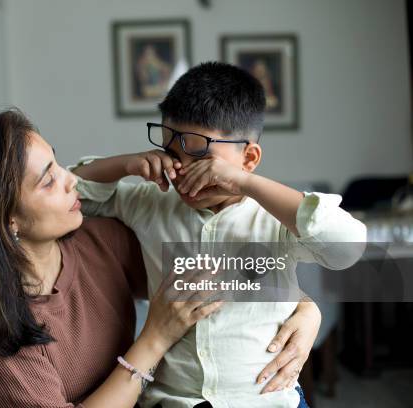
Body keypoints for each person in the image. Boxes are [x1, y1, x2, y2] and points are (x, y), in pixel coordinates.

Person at [0, 108, 322, 408]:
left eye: (57, 162)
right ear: (7, 223)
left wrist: (304, 306)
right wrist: (155, 337)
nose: (72, 179)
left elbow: (210, 274)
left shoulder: (97, 242)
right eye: (49, 180)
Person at [71, 62, 367, 408]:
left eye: (200, 158)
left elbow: (348, 248)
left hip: (266, 400)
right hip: (173, 400)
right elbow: (70, 190)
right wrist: (125, 165)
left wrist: (245, 184)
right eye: (171, 154)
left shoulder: (274, 218)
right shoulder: (148, 201)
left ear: (249, 158)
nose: (180, 172)